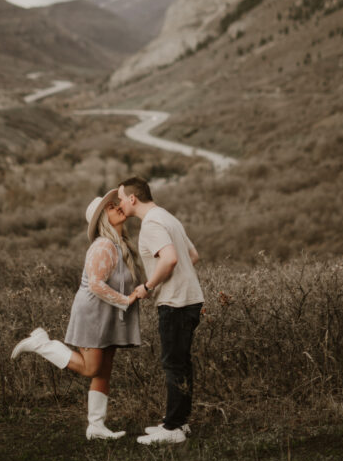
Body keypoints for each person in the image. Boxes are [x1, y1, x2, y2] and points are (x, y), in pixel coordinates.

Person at [10, 189, 144, 439]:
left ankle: (96, 426)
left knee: (105, 369)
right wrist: (127, 299)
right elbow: (95, 284)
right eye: (110, 206)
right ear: (102, 218)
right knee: (91, 368)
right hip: (93, 312)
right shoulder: (103, 245)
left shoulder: (119, 244)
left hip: (109, 314)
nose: (116, 206)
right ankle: (42, 345)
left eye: (117, 203)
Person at [117, 176, 203, 446]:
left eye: (120, 198)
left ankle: (174, 428)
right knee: (181, 362)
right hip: (190, 298)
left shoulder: (152, 224)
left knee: (173, 364)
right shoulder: (167, 217)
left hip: (175, 302)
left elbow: (171, 258)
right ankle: (178, 421)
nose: (119, 204)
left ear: (132, 198)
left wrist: (149, 285)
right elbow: (193, 255)